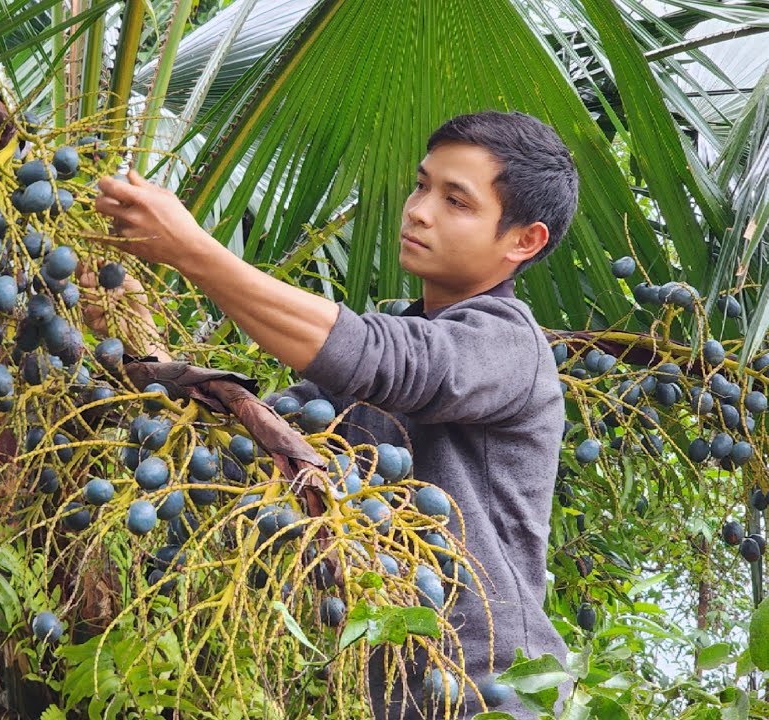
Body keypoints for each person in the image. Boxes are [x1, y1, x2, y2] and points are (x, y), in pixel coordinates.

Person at [83, 110, 579, 719]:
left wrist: (193, 252)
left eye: (457, 201)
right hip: (404, 699)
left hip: (500, 698)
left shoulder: (509, 344)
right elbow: (267, 441)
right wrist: (147, 348)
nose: (419, 210)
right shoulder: (401, 333)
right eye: (422, 185)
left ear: (523, 241)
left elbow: (385, 361)